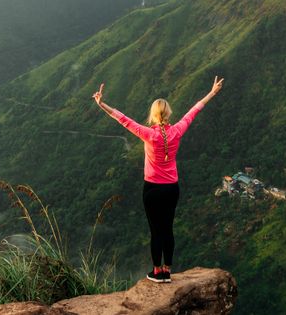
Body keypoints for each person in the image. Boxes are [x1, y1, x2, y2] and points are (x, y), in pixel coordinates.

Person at [92, 75, 224, 283]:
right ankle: (168, 270)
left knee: (156, 231)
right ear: (169, 113)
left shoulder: (147, 134)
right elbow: (194, 110)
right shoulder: (177, 131)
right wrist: (212, 92)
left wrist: (101, 105)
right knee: (168, 229)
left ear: (152, 115)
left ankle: (157, 272)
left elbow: (123, 119)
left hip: (152, 189)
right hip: (172, 188)